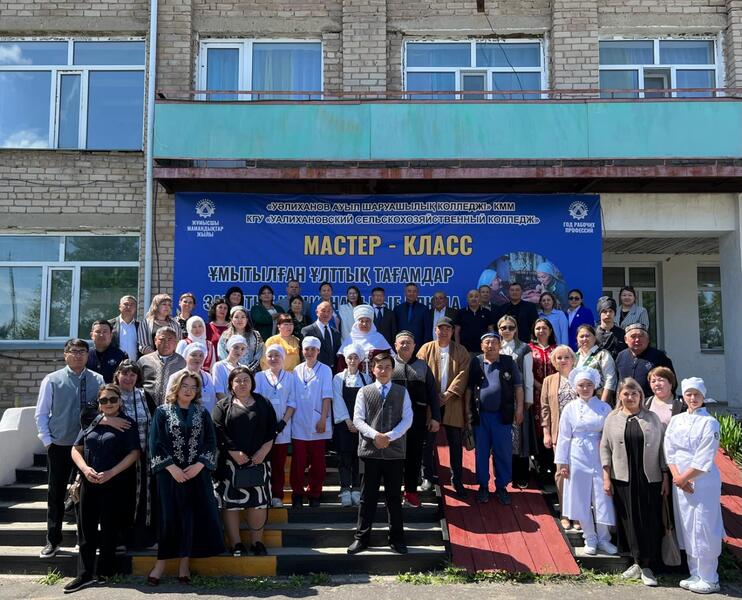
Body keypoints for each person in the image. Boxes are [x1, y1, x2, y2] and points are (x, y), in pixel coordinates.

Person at [147, 372, 224, 585]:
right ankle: (160, 564)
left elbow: (210, 442)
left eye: (193, 387)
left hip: (197, 474)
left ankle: (184, 564)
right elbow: (155, 443)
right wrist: (172, 468)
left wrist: (199, 465)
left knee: (191, 518)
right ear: (176, 388)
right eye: (184, 386)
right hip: (169, 475)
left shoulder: (202, 412)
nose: (189, 390)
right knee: (169, 518)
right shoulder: (162, 412)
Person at [64, 384, 140, 593]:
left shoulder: (127, 424)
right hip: (89, 482)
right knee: (86, 529)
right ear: (98, 403)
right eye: (104, 400)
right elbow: (76, 449)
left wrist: (111, 472)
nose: (109, 403)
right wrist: (84, 469)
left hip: (114, 482)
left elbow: (134, 453)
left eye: (113, 399)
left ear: (120, 401)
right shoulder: (91, 423)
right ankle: (85, 574)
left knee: (109, 529)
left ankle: (106, 571)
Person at [35, 339, 104, 559]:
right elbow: (41, 413)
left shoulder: (98, 379)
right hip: (60, 444)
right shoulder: (52, 379)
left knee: (85, 495)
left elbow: (103, 410)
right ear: (65, 354)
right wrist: (48, 441)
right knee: (55, 494)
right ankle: (53, 540)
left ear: (88, 355)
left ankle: (84, 540)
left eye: (82, 351)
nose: (78, 355)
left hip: (86, 447)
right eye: (73, 351)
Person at [600, 378, 668, 587]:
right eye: (626, 394)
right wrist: (606, 477)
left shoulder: (652, 418)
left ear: (640, 395)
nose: (630, 397)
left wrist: (665, 475)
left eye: (634, 393)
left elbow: (663, 448)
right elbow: (605, 448)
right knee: (628, 519)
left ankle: (647, 566)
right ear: (619, 396)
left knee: (648, 519)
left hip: (649, 477)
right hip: (623, 478)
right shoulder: (612, 418)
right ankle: (635, 562)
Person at [348, 352, 413, 555]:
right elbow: (358, 420)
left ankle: (397, 539)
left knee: (394, 498)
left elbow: (408, 419)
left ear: (393, 370)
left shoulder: (402, 392)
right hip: (370, 452)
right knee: (367, 497)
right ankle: (361, 538)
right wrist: (376, 435)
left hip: (394, 452)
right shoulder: (364, 391)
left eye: (387, 367)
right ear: (372, 370)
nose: (383, 371)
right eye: (379, 367)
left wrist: (390, 436)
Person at [664, 377, 724, 594]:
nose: (692, 398)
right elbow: (669, 449)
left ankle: (710, 577)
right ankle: (695, 572)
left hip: (702, 481)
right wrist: (677, 476)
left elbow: (705, 456)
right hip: (680, 481)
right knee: (687, 525)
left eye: (697, 394)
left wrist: (686, 477)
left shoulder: (710, 423)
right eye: (689, 394)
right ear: (683, 397)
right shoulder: (676, 420)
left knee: (704, 526)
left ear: (703, 396)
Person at [213, 367, 277, 557]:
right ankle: (236, 544)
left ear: (252, 383)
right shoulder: (223, 405)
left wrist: (262, 452)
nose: (242, 383)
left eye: (246, 380)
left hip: (259, 461)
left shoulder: (263, 403)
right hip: (230, 464)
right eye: (238, 380)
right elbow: (218, 430)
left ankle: (257, 542)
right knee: (231, 504)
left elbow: (272, 430)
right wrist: (234, 452)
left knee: (258, 503)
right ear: (231, 384)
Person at [555, 367, 616, 556]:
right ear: (576, 387)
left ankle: (604, 538)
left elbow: (610, 434)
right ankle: (589, 537)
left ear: (594, 386)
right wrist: (562, 463)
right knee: (580, 496)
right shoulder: (570, 408)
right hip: (576, 454)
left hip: (598, 453)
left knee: (602, 496)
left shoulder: (604, 408)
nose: (585, 388)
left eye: (589, 385)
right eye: (581, 385)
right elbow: (564, 436)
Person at [417, 317, 471, 499]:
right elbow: (420, 372)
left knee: (455, 443)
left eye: (448, 328)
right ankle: (427, 476)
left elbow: (463, 374)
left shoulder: (461, 350)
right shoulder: (426, 349)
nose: (444, 331)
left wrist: (448, 394)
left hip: (453, 401)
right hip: (431, 403)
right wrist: (434, 396)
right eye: (441, 328)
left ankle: (457, 480)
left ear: (453, 331)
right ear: (435, 330)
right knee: (427, 442)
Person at [468, 332, 524, 505]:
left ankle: (501, 486)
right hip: (481, 416)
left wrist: (519, 409)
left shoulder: (508, 362)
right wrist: (466, 413)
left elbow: (518, 387)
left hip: (502, 415)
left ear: (500, 345)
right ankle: (483, 486)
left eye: (494, 342)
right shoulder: (476, 362)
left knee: (503, 452)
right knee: (482, 453)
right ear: (481, 346)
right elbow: (469, 390)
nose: (490, 345)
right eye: (487, 342)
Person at [392, 331, 440, 508]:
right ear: (395, 345)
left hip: (417, 420)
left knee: (414, 456)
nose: (405, 345)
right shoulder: (388, 365)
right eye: (401, 342)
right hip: (392, 420)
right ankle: (393, 492)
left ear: (414, 346)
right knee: (393, 457)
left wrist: (435, 418)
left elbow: (433, 395)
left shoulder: (422, 366)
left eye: (408, 342)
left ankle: (411, 492)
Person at [113, 360, 155, 550]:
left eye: (132, 374)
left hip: (144, 457)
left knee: (143, 498)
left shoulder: (144, 395)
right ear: (117, 375)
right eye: (125, 374)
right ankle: (120, 539)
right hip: (119, 457)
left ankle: (142, 538)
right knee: (122, 498)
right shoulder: (111, 395)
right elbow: (91, 415)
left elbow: (155, 419)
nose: (128, 378)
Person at [291, 336, 333, 508]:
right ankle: (297, 493)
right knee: (298, 462)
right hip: (299, 421)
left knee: (318, 463)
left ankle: (315, 493)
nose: (309, 352)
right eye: (306, 349)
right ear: (302, 351)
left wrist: (323, 418)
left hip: (318, 421)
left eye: (313, 349)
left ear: (318, 351)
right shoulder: (296, 370)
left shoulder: (325, 370)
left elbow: (327, 396)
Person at [539, 344, 579, 529]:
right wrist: (546, 432)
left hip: (580, 434)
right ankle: (565, 512)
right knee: (561, 473)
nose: (563, 361)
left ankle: (578, 514)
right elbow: (545, 408)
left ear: (573, 359)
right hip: (559, 433)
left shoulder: (580, 377)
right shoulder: (549, 381)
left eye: (566, 357)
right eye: (559, 358)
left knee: (578, 473)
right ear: (554, 362)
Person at [255, 345, 297, 508]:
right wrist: (266, 423)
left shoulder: (290, 377)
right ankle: (263, 495)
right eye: (270, 356)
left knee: (279, 465)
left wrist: (283, 422)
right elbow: (257, 401)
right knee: (263, 462)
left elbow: (292, 402)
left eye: (277, 355)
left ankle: (277, 495)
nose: (273, 359)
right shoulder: (259, 376)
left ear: (283, 358)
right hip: (264, 429)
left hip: (282, 429)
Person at [497, 315, 534, 488]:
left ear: (516, 329)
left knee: (519, 437)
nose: (507, 330)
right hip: (498, 399)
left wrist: (527, 399)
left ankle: (520, 474)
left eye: (510, 327)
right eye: (503, 327)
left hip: (517, 397)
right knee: (501, 437)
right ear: (498, 330)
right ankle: (502, 474)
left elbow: (528, 375)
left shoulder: (524, 348)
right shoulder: (494, 346)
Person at [332, 344, 372, 507]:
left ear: (360, 359)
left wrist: (358, 422)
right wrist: (348, 421)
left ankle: (356, 489)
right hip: (344, 424)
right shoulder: (338, 378)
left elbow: (367, 402)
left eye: (356, 357)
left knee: (358, 457)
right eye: (350, 357)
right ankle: (344, 490)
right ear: (345, 359)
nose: (353, 360)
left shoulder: (366, 379)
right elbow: (337, 399)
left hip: (360, 423)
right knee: (344, 458)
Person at [615, 323, 675, 399]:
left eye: (641, 336)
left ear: (648, 339)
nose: (637, 340)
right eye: (633, 336)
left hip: (650, 403)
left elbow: (672, 382)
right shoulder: (621, 356)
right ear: (626, 339)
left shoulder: (659, 357)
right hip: (626, 402)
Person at [528, 318, 557, 470]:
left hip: (554, 394)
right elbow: (526, 371)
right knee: (536, 427)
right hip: (535, 394)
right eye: (538, 328)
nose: (541, 331)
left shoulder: (557, 349)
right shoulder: (528, 349)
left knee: (553, 425)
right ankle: (538, 466)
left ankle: (552, 465)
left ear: (550, 330)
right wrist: (538, 385)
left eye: (544, 328)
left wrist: (551, 387)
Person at [137, 327, 186, 407]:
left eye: (169, 340)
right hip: (146, 407)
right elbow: (136, 384)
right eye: (162, 340)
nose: (166, 343)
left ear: (175, 342)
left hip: (172, 407)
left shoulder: (182, 362)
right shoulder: (144, 361)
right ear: (155, 341)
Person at [337, 304, 392, 372]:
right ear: (356, 322)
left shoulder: (379, 338)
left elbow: (389, 359)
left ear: (371, 322)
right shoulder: (350, 339)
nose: (364, 324)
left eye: (367, 321)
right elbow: (341, 364)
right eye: (361, 321)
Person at [167, 342, 218, 414]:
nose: (197, 358)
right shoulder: (176, 376)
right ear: (186, 357)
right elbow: (169, 400)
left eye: (201, 355)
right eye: (193, 355)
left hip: (207, 417)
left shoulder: (208, 376)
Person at [575, 324, 618, 404]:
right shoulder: (574, 356)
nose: (584, 339)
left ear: (594, 338)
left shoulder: (602, 354)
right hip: (579, 403)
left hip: (599, 401)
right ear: (577, 339)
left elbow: (610, 380)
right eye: (581, 336)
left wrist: (602, 404)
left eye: (587, 336)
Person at [217, 305, 264, 372]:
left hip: (252, 373)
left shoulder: (256, 335)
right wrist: (234, 370)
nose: (240, 320)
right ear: (231, 319)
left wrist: (247, 370)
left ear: (247, 319)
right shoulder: (225, 336)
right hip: (230, 372)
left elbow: (259, 354)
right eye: (236, 317)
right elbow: (222, 355)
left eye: (243, 317)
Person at [301, 301, 341, 371]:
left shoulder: (336, 333)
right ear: (317, 312)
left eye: (329, 311)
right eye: (323, 311)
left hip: (332, 371)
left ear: (332, 313)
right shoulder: (308, 331)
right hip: (314, 370)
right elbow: (304, 353)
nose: (326, 314)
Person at [454, 289, 494, 354]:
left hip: (483, 350)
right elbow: (456, 332)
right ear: (467, 299)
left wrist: (491, 345)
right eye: (471, 296)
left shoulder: (487, 312)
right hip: (465, 350)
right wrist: (457, 347)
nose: (473, 298)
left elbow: (491, 330)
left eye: (476, 296)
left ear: (480, 298)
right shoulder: (461, 313)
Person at [212, 335, 247, 401]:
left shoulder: (245, 368)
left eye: (242, 349)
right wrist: (232, 405)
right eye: (236, 347)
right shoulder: (219, 366)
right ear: (229, 348)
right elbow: (218, 392)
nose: (239, 351)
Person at [109, 295, 139, 360]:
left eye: (132, 305)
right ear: (119, 307)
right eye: (126, 304)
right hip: (114, 364)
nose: (129, 307)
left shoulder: (140, 326)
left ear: (136, 308)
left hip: (136, 365)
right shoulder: (109, 325)